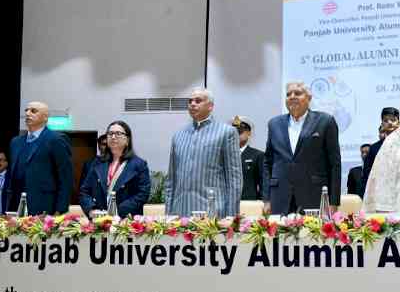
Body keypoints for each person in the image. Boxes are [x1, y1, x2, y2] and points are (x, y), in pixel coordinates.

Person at [263, 81, 341, 215]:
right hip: (280, 197)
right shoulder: (274, 124)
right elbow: (267, 162)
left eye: (298, 93)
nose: (292, 96)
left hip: (313, 196)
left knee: (312, 236)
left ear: (309, 98)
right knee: (279, 236)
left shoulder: (325, 121)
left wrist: (333, 202)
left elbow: (334, 164)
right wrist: (266, 199)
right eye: (288, 94)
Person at [165, 88, 242, 217]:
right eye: (190, 101)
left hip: (213, 212)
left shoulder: (226, 132)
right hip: (180, 213)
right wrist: (168, 214)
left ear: (210, 106)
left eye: (198, 101)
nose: (192, 104)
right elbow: (171, 180)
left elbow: (234, 178)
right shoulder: (178, 136)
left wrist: (231, 216)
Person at [6, 101, 73, 215]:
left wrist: (60, 210)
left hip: (45, 208)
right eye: (26, 110)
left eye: (33, 111)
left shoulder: (56, 140)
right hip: (16, 207)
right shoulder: (15, 142)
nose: (28, 113)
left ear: (45, 117)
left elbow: (65, 178)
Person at [80, 121, 150, 218]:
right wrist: (91, 209)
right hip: (99, 221)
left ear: (127, 140)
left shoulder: (139, 165)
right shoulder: (97, 163)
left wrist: (117, 211)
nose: (113, 137)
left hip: (126, 222)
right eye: (110, 133)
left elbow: (142, 194)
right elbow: (84, 191)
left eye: (118, 133)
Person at [361, 107, 400, 192]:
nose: (390, 123)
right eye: (386, 120)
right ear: (382, 124)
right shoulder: (374, 149)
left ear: (399, 123)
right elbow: (367, 176)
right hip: (381, 194)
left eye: (393, 120)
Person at [233, 115, 267, 200]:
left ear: (249, 133)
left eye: (240, 132)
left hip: (249, 202)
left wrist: (262, 201)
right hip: (227, 203)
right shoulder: (225, 155)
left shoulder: (257, 155)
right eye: (234, 132)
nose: (237, 135)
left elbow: (263, 182)